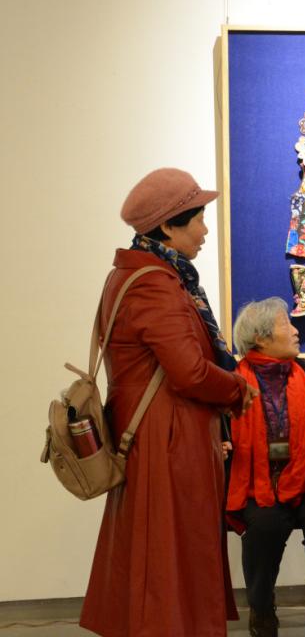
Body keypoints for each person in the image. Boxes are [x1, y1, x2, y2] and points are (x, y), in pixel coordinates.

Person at [80, 168, 257, 637]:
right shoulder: (156, 284)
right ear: (166, 226)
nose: (204, 230)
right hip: (167, 442)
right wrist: (238, 389)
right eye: (197, 219)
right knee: (170, 558)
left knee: (157, 555)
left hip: (154, 436)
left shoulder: (131, 274)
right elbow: (189, 371)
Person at [227, 297, 305, 637]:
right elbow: (217, 432)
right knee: (262, 530)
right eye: (286, 324)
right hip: (258, 483)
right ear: (261, 338)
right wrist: (222, 446)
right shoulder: (233, 384)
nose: (296, 331)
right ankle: (261, 608)